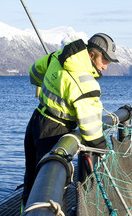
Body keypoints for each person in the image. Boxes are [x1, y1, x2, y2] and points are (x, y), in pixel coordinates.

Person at [22, 33, 119, 206]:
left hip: (36, 121)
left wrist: (41, 88)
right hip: (54, 133)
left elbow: (35, 70)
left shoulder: (58, 57)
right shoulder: (85, 83)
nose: (105, 67)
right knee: (52, 187)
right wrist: (104, 153)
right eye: (104, 61)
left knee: (32, 179)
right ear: (91, 55)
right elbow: (91, 133)